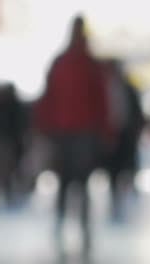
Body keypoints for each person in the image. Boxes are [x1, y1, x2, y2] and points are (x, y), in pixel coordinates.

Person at [34, 15, 111, 255]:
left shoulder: (74, 64)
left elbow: (99, 102)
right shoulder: (84, 64)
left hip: (72, 131)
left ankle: (75, 225)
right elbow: (50, 99)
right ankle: (71, 225)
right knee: (73, 182)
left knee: (73, 182)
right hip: (73, 131)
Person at [101, 59, 144, 223]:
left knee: (127, 165)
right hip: (111, 134)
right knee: (114, 168)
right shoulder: (103, 87)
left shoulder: (128, 89)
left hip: (126, 133)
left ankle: (127, 191)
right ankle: (116, 196)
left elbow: (136, 111)